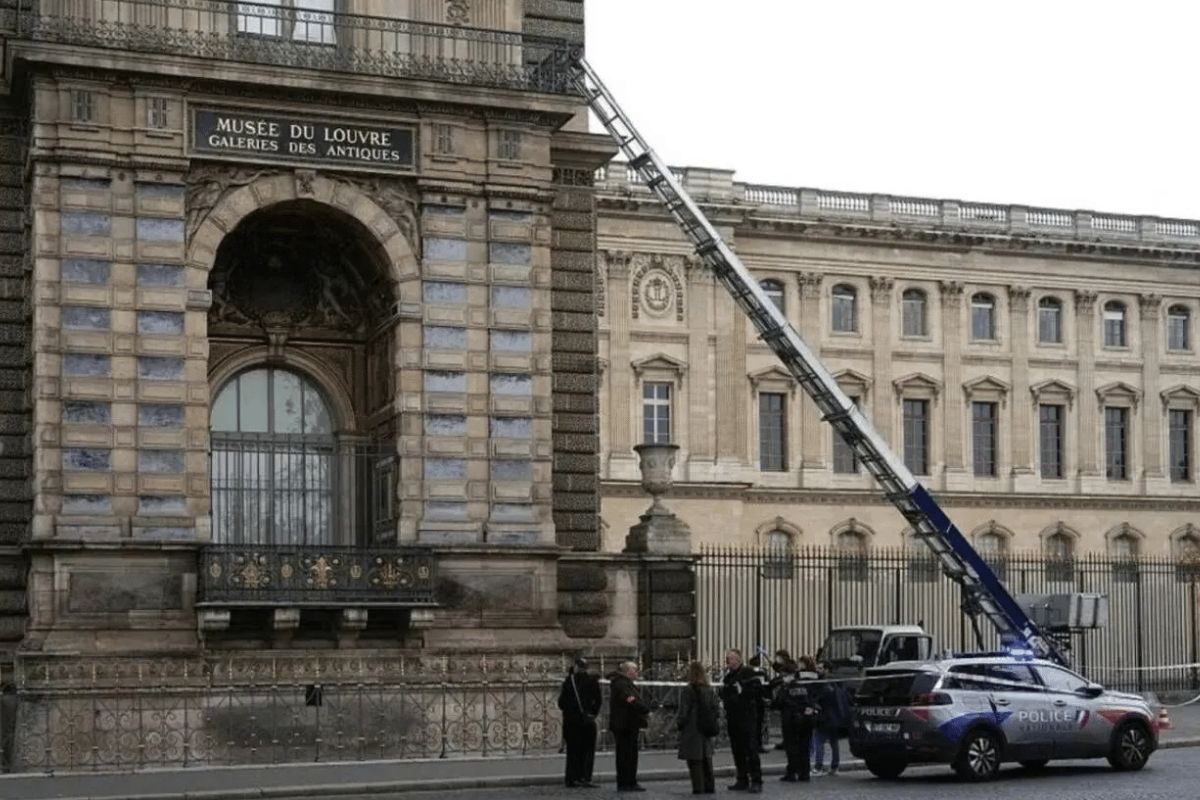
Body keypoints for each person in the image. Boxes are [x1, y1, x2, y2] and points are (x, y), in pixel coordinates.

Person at [720, 649, 764, 793]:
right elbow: (725, 693)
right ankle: (742, 778)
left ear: (738, 659)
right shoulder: (728, 677)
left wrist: (742, 693)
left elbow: (757, 692)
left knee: (750, 750)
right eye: (727, 658)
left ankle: (756, 780)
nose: (728, 661)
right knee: (737, 750)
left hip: (747, 717)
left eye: (731, 658)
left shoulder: (748, 673)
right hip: (733, 717)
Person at [772, 654, 819, 782]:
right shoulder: (804, 685)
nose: (783, 678)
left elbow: (779, 702)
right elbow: (810, 700)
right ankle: (804, 773)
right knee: (804, 748)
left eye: (784, 675)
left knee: (792, 748)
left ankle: (792, 773)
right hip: (806, 720)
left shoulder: (786, 688)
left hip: (791, 720)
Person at [558, 656, 601, 788]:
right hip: (587, 720)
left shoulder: (568, 682)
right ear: (586, 668)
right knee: (588, 751)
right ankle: (585, 777)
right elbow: (598, 700)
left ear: (576, 667)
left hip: (571, 722)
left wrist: (571, 711)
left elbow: (561, 703)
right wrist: (592, 713)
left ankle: (572, 778)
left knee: (573, 751)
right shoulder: (592, 681)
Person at [676, 661, 718, 795]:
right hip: (706, 727)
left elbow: (684, 710)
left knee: (694, 760)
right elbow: (716, 708)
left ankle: (698, 787)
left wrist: (680, 724)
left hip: (692, 728)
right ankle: (710, 786)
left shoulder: (689, 690)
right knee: (706, 758)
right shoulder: (709, 689)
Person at [608, 661, 650, 793]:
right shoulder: (621, 684)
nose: (637, 672)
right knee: (626, 755)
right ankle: (626, 781)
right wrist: (644, 709)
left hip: (629, 724)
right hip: (624, 725)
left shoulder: (625, 683)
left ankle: (630, 780)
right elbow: (631, 700)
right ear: (628, 671)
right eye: (635, 670)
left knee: (630, 754)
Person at [813, 661, 852, 777]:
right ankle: (834, 767)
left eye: (820, 668)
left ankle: (818, 767)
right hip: (836, 717)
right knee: (834, 742)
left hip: (825, 716)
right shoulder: (837, 682)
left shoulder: (824, 683)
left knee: (819, 741)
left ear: (826, 670)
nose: (817, 670)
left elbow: (821, 699)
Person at [748, 654, 770, 753]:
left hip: (751, 701)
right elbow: (767, 686)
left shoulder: (748, 673)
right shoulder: (763, 673)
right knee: (759, 724)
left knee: (752, 724)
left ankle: (751, 745)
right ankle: (758, 745)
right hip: (760, 701)